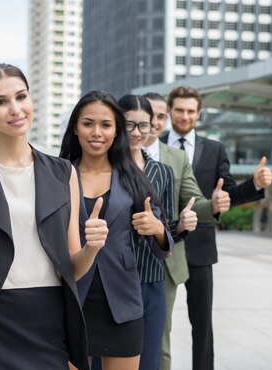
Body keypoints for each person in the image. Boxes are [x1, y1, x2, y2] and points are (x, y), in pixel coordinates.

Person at [0, 63, 106, 370]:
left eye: (21, 97)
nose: (15, 109)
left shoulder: (63, 173)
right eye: (1, 102)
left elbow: (73, 267)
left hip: (49, 324)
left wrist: (91, 247)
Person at [160, 86, 272, 370]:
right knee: (160, 325)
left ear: (199, 114)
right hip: (164, 246)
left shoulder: (214, 149)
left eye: (190, 111)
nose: (185, 116)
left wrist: (256, 184)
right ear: (169, 111)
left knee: (202, 325)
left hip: (200, 248)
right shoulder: (153, 144)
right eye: (179, 110)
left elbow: (225, 197)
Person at [60, 90, 173, 370]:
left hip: (122, 303)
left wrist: (156, 228)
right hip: (71, 301)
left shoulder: (132, 176)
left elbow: (165, 242)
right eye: (88, 123)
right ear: (75, 127)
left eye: (106, 125)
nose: (96, 132)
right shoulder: (59, 175)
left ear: (116, 131)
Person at [141, 92, 230, 370]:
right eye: (149, 117)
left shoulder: (176, 157)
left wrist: (213, 205)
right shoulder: (117, 153)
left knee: (160, 339)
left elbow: (195, 200)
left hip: (167, 256)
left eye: (159, 117)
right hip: (123, 259)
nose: (154, 123)